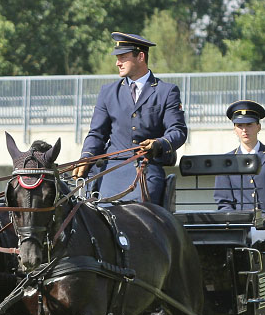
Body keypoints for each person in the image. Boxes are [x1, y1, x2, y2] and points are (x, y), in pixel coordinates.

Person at [73, 32, 188, 204]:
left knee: (138, 212)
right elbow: (97, 134)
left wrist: (159, 144)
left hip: (147, 169)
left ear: (140, 56)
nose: (117, 63)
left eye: (123, 57)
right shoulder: (108, 92)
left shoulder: (166, 91)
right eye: (117, 58)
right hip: (111, 171)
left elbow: (177, 131)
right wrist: (86, 157)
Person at [213, 100, 265, 246]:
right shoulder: (226, 162)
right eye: (240, 126)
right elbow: (224, 202)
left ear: (258, 127)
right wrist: (236, 223)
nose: (244, 130)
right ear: (234, 129)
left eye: (249, 125)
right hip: (239, 227)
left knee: (252, 238)